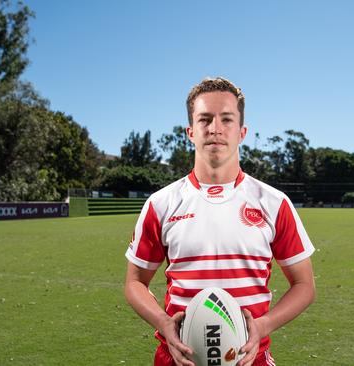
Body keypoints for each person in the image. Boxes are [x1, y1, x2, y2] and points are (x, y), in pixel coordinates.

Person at [124, 77, 316, 366]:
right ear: (190, 132)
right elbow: (135, 282)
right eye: (205, 119)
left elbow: (304, 285)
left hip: (251, 359)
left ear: (242, 131)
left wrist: (264, 325)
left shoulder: (274, 203)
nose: (215, 128)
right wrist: (162, 322)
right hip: (177, 358)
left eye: (226, 119)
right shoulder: (161, 204)